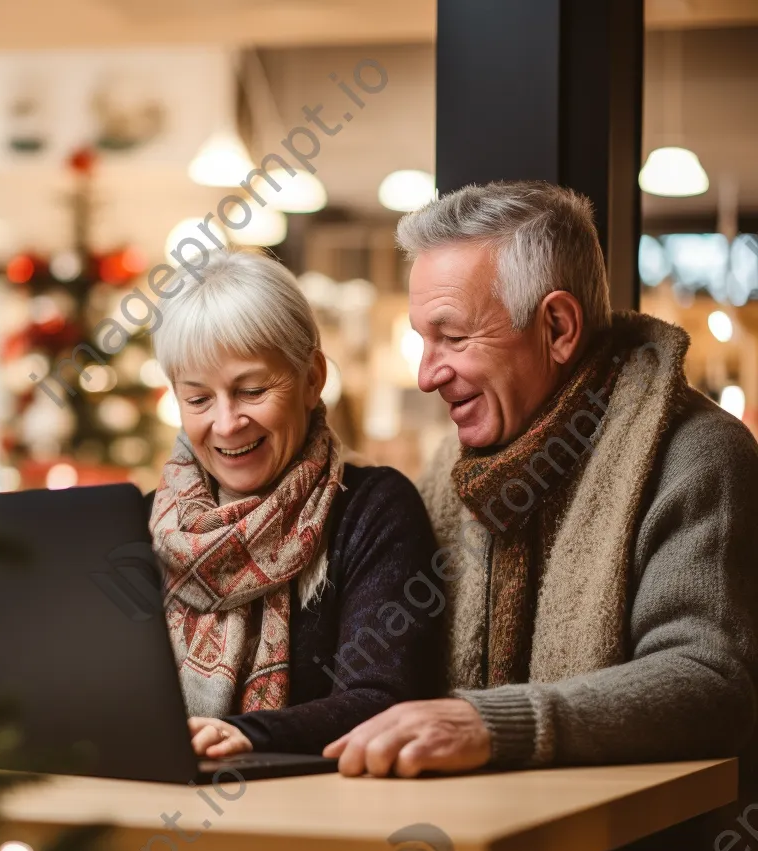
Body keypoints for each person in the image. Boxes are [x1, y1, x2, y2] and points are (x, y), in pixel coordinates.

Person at [324, 180, 758, 780]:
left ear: (557, 327)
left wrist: (491, 724)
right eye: (423, 341)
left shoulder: (696, 453)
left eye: (451, 337)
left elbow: (710, 684)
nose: (426, 375)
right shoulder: (446, 469)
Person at [146, 248, 445, 759]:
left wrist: (251, 736)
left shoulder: (372, 508)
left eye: (252, 390)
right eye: (198, 399)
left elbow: (382, 699)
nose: (225, 422)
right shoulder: (146, 522)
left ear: (313, 379)